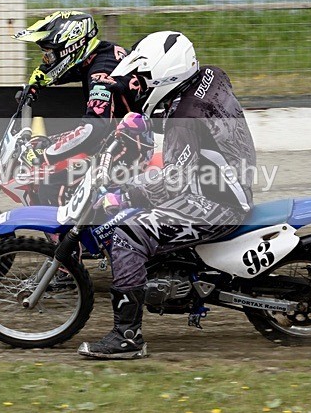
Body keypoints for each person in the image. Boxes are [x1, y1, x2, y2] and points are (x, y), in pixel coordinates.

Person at [77, 31, 257, 359]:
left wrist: (125, 194)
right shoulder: (211, 76)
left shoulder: (182, 120)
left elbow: (173, 183)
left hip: (218, 201)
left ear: (165, 74)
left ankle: (127, 337)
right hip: (226, 180)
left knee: (128, 233)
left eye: (143, 79)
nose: (139, 86)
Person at [13, 11, 147, 203]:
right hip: (119, 135)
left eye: (49, 53)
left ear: (70, 47)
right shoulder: (100, 52)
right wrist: (33, 86)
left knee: (52, 185)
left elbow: (95, 127)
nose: (47, 59)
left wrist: (46, 155)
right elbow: (64, 70)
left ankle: (75, 233)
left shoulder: (101, 72)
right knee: (45, 145)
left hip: (131, 145)